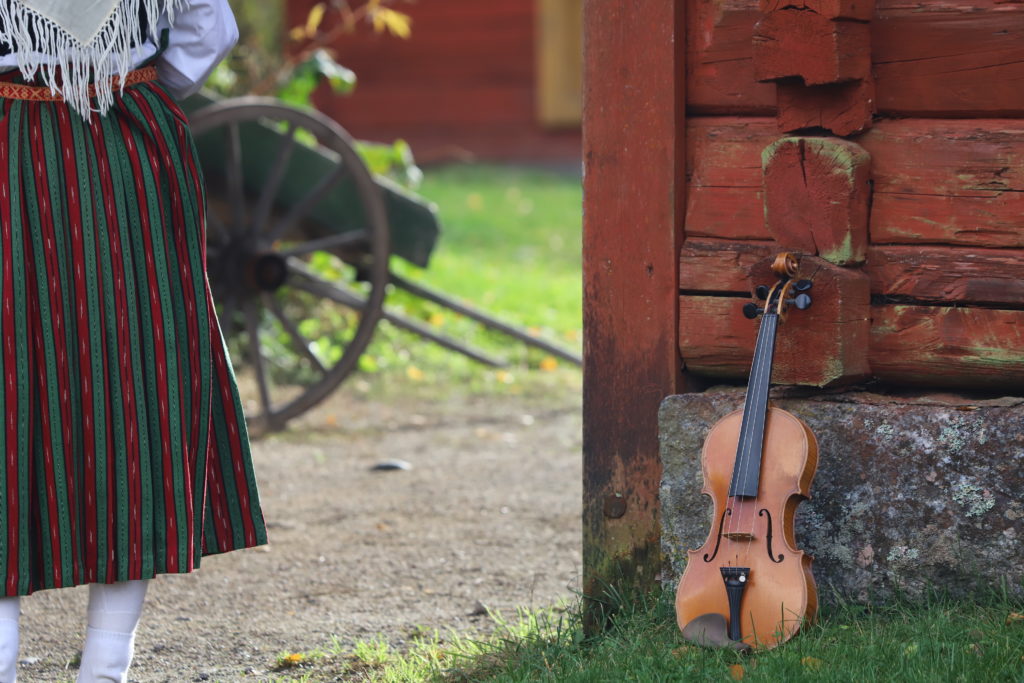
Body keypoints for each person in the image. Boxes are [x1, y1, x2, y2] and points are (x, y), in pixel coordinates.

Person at [0, 1, 268, 680]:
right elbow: (213, 30)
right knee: (133, 383)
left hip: (8, 143)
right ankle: (107, 659)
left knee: (8, 386)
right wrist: (117, 83)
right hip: (127, 142)